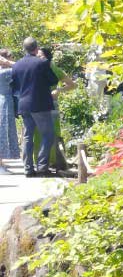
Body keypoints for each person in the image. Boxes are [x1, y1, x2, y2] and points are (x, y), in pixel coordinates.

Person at [12, 37, 58, 177]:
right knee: (48, 135)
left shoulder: (17, 65)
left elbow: (15, 86)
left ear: (24, 48)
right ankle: (42, 167)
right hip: (40, 104)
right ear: (36, 48)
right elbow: (53, 80)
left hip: (24, 104)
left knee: (27, 137)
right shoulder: (42, 63)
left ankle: (28, 169)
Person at [35, 47, 75, 170]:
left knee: (53, 131)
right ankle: (38, 161)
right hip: (37, 103)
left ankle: (53, 160)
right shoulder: (34, 67)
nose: (39, 57)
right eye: (37, 55)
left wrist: (59, 90)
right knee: (37, 133)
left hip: (52, 103)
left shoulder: (54, 68)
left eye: (41, 55)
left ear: (48, 57)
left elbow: (72, 85)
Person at [0, 49, 20, 173]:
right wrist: (8, 62)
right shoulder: (7, 71)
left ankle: (1, 161)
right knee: (3, 130)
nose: (12, 60)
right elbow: (21, 67)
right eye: (11, 57)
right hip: (5, 101)